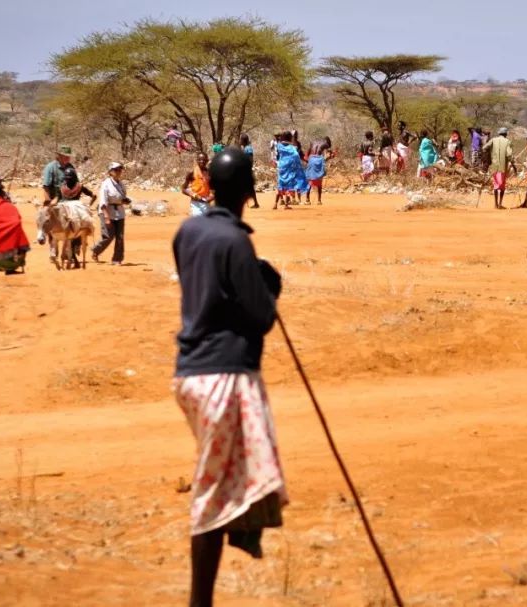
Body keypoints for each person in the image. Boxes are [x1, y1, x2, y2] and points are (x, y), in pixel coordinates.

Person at [172, 146, 287, 607]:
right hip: (225, 375)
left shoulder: (188, 231)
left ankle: (240, 537)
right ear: (247, 192)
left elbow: (210, 290)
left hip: (190, 373)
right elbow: (260, 316)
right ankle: (200, 601)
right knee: (213, 491)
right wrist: (269, 284)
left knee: (227, 476)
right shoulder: (236, 241)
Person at [91, 162, 130, 265]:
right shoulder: (106, 184)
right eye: (116, 170)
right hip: (107, 211)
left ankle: (117, 259)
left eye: (120, 170)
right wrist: (107, 217)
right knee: (108, 236)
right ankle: (96, 250)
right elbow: (103, 202)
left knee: (120, 237)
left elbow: (121, 197)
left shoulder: (121, 184)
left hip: (119, 212)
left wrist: (124, 201)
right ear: (110, 172)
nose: (119, 172)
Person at [39, 145, 74, 243]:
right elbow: (46, 186)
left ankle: (74, 245)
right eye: (65, 156)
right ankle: (46, 239)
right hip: (54, 200)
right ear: (59, 156)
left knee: (76, 220)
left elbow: (75, 183)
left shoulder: (70, 167)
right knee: (48, 221)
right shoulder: (50, 167)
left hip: (68, 200)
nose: (68, 158)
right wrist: (48, 202)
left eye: (69, 156)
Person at [483, 127, 515, 210]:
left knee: (496, 185)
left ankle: (495, 204)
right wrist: (513, 163)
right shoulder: (508, 142)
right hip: (502, 167)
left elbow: (484, 148)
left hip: (494, 166)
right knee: (502, 185)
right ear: (505, 134)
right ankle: (500, 204)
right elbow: (509, 154)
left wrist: (489, 156)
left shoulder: (493, 140)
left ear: (499, 133)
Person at [273, 131, 307, 209]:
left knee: (280, 185)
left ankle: (275, 204)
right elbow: (296, 155)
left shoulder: (279, 146)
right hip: (289, 169)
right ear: (289, 138)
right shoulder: (292, 148)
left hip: (281, 168)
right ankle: (286, 205)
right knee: (289, 186)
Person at [304, 137, 333, 205]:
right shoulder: (326, 144)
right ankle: (319, 200)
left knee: (310, 180)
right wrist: (331, 155)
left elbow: (307, 155)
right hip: (318, 159)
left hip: (311, 159)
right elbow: (327, 155)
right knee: (319, 180)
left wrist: (308, 160)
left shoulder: (313, 142)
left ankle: (307, 200)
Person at [240, 134, 260, 209]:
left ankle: (255, 203)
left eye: (241, 139)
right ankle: (255, 203)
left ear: (243, 140)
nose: (240, 141)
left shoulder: (248, 148)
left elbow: (250, 159)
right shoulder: (245, 148)